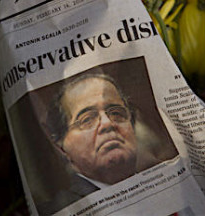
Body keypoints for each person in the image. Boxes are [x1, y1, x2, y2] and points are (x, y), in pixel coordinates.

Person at [40, 73, 146, 214]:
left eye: (116, 113)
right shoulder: (56, 210)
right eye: (87, 119)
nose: (107, 123)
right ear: (62, 147)